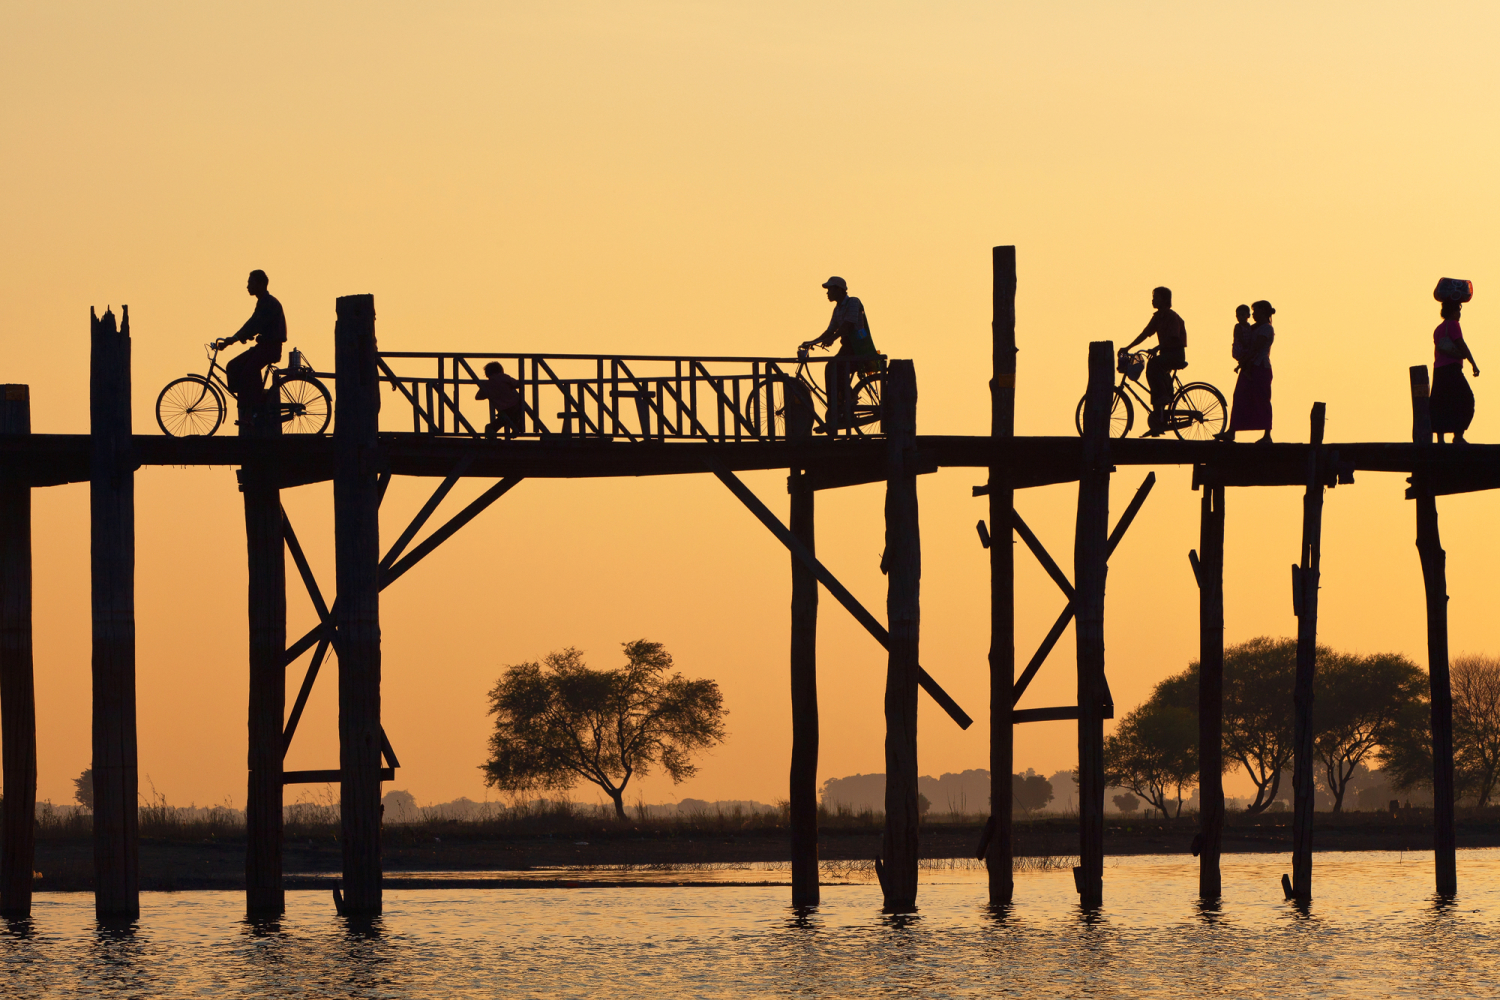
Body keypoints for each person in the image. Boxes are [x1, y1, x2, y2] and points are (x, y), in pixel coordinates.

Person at [801, 276, 879, 434]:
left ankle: (844, 403)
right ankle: (836, 411)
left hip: (857, 348)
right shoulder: (837, 310)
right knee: (832, 370)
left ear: (840, 290)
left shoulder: (853, 302)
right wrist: (812, 342)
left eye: (830, 289)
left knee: (833, 368)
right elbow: (830, 330)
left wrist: (832, 338)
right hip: (847, 348)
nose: (828, 293)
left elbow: (848, 326)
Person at [214, 270, 287, 422]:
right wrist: (236, 337)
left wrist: (234, 339)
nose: (248, 286)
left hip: (270, 348)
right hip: (263, 347)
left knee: (248, 372)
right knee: (233, 366)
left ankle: (256, 408)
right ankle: (247, 403)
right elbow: (252, 323)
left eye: (251, 283)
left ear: (260, 284)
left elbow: (255, 325)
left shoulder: (269, 303)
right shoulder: (263, 302)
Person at [1122, 286, 1188, 436]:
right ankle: (1158, 418)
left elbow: (1173, 338)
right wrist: (1128, 347)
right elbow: (1144, 334)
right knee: (1155, 372)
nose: (1153, 300)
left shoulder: (1171, 316)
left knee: (1153, 365)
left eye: (1156, 297)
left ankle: (1163, 397)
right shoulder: (1158, 317)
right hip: (1165, 354)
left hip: (1175, 354)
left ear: (1164, 300)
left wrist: (1156, 348)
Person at [1218, 301, 1274, 443]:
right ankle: (1232, 431)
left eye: (1255, 311)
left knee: (1262, 399)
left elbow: (1257, 347)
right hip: (1249, 366)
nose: (1253, 314)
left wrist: (1244, 360)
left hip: (1260, 367)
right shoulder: (1252, 328)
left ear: (1262, 312)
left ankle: (1267, 435)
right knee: (1239, 397)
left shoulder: (1266, 329)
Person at [1431, 298, 1480, 444]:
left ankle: (1440, 440)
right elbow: (1461, 345)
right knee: (1466, 399)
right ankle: (1458, 436)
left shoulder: (1438, 329)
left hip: (1439, 371)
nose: (1459, 314)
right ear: (1453, 312)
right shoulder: (1453, 324)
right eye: (1458, 310)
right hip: (1452, 370)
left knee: (1441, 403)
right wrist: (1473, 364)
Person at [475, 361, 523, 439]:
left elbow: (478, 397)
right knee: (515, 418)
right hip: (515, 407)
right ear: (501, 370)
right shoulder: (505, 377)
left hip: (503, 411)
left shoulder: (488, 384)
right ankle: (517, 427)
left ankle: (492, 440)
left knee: (490, 428)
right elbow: (518, 384)